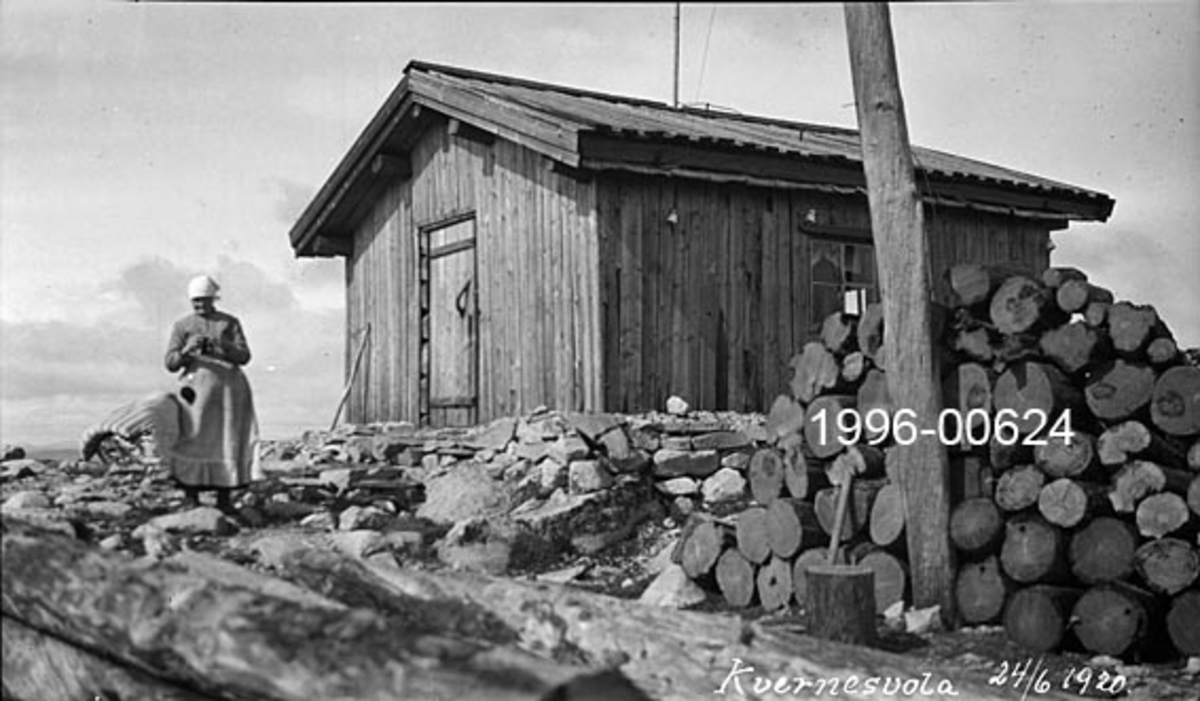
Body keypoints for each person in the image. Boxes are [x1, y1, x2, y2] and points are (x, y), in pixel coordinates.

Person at [162, 274, 260, 513]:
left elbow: (244, 356)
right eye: (196, 302)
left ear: (213, 299)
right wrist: (187, 350)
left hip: (228, 391)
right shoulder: (182, 326)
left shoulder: (229, 322)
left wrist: (224, 345)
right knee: (191, 437)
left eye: (204, 300)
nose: (200, 306)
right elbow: (170, 363)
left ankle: (224, 500)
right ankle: (191, 497)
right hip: (195, 392)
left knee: (226, 441)